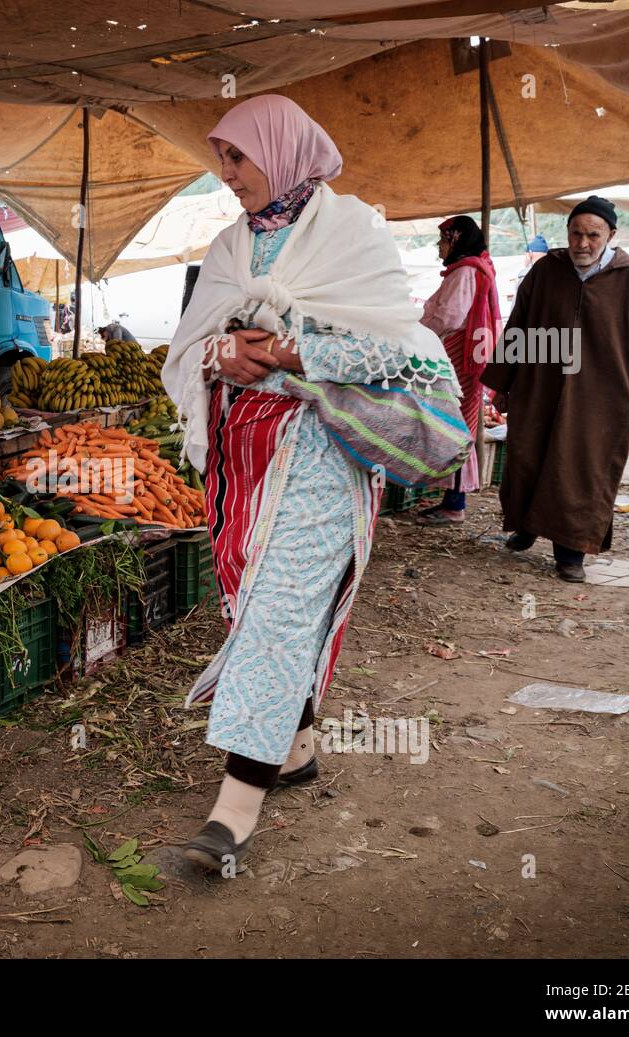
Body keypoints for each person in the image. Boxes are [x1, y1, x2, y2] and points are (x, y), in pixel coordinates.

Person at [162, 95, 459, 871]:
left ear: (283, 151)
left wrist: (295, 354)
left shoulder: (351, 233)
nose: (227, 175)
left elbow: (405, 353)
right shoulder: (230, 246)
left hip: (323, 450)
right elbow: (188, 347)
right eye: (221, 159)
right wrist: (218, 358)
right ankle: (294, 752)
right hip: (244, 460)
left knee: (282, 610)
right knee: (252, 601)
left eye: (239, 157)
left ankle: (233, 813)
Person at [481, 195, 629, 583]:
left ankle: (571, 551)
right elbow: (520, 325)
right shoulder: (546, 270)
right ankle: (526, 526)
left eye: (593, 235)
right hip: (540, 382)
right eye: (576, 233)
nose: (582, 243)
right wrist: (504, 382)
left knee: (582, 467)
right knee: (530, 455)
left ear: (611, 235)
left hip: (601, 394)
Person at [417, 216, 502, 524]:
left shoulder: (464, 271)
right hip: (471, 356)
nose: (439, 247)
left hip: (458, 356)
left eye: (442, 240)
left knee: (455, 427)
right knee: (459, 424)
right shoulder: (477, 267)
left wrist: (419, 332)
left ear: (455, 240)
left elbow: (449, 316)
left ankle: (455, 503)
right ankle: (452, 498)